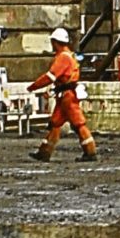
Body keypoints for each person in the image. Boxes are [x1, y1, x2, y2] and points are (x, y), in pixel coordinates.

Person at [28, 28, 98, 163]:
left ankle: (90, 151)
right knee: (55, 123)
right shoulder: (68, 55)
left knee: (78, 124)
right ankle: (44, 152)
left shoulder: (63, 58)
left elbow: (50, 76)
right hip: (65, 95)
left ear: (56, 42)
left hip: (67, 96)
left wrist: (34, 86)